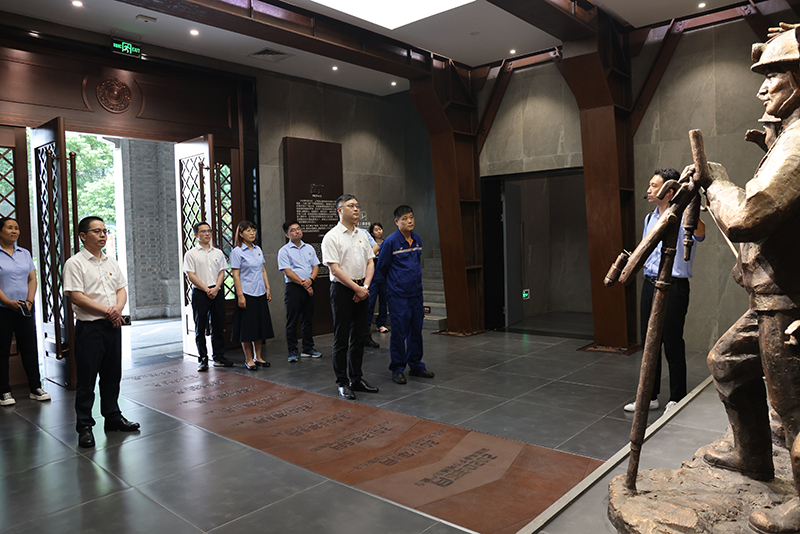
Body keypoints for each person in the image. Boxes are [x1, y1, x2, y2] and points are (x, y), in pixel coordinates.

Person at [691, 27, 800, 533]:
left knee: (794, 407)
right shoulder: (789, 133)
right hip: (771, 294)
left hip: (789, 299)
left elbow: (748, 215)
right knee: (728, 362)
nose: (761, 88)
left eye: (772, 74)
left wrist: (716, 181)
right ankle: (752, 454)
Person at [624, 169, 705, 413]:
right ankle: (649, 396)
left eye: (654, 185)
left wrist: (690, 206)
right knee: (649, 342)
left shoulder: (684, 216)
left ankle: (677, 398)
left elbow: (700, 233)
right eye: (649, 185)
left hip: (674, 286)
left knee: (672, 341)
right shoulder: (649, 218)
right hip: (650, 283)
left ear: (669, 191)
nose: (648, 190)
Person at [64, 216, 139, 448]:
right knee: (87, 380)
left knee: (112, 375)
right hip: (90, 329)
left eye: (105, 231)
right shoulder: (75, 263)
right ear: (83, 236)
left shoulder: (110, 262)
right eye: (97, 231)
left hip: (112, 327)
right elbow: (76, 297)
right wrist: (108, 311)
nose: (103, 235)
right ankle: (84, 426)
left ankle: (113, 417)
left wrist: (118, 309)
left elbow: (121, 289)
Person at [321, 194, 379, 400]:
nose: (356, 209)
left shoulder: (362, 234)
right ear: (340, 210)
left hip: (362, 288)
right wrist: (356, 288)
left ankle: (356, 378)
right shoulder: (332, 236)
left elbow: (370, 262)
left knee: (360, 336)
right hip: (343, 290)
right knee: (341, 338)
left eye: (357, 205)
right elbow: (335, 269)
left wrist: (364, 287)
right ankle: (342, 382)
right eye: (351, 206)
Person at [377, 205, 434, 385]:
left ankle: (416, 365)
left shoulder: (417, 239)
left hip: (416, 294)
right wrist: (394, 287)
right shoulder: (390, 242)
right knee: (399, 333)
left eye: (411, 217)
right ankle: (397, 368)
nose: (409, 221)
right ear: (397, 222)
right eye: (404, 218)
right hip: (398, 296)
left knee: (416, 330)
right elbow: (381, 268)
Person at [0, 217, 50, 406]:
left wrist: (29, 301)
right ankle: (4, 391)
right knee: (2, 349)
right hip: (3, 309)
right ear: (0, 232)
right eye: (10, 228)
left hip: (25, 307)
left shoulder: (25, 253)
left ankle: (35, 388)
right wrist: (7, 301)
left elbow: (32, 278)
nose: (14, 231)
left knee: (29, 347)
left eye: (17, 228)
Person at [183, 221, 233, 372]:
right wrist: (206, 289)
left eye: (209, 231)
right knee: (200, 326)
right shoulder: (191, 254)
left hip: (216, 291)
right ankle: (203, 359)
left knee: (218, 324)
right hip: (200, 292)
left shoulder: (218, 252)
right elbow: (191, 275)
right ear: (196, 235)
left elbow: (222, 271)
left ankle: (218, 357)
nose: (207, 234)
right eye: (203, 231)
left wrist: (216, 288)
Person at [230, 220, 274, 371]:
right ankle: (248, 359)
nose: (252, 233)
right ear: (241, 234)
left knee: (260, 326)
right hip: (247, 293)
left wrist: (268, 288)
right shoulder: (237, 252)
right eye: (248, 230)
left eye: (253, 230)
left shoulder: (257, 249)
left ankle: (258, 357)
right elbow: (236, 275)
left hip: (260, 292)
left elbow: (263, 270)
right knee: (247, 328)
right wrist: (240, 295)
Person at [277, 220, 321, 362]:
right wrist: (305, 285)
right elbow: (288, 272)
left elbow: (315, 266)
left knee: (308, 319)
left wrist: (311, 280)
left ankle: (308, 348)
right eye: (293, 230)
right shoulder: (284, 251)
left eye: (298, 229)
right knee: (292, 320)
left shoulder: (309, 248)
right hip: (294, 288)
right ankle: (292, 351)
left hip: (309, 284)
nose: (297, 231)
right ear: (287, 234)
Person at [366, 222, 389, 341]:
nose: (379, 231)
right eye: (376, 230)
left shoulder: (386, 243)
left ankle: (381, 323)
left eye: (380, 229)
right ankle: (367, 325)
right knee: (370, 302)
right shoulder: (370, 245)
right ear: (372, 233)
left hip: (384, 277)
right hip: (373, 278)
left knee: (383, 302)